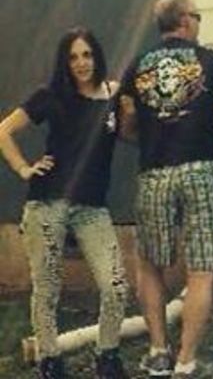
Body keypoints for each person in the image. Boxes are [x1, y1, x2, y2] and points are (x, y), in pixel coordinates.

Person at [118, 0, 213, 379]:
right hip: (201, 170)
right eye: (198, 15)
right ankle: (186, 362)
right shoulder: (212, 61)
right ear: (186, 20)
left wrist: (156, 136)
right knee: (201, 269)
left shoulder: (137, 65)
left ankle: (159, 352)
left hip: (154, 172)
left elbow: (126, 124)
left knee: (150, 265)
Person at [0, 27, 129, 379]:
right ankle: (49, 359)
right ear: (64, 62)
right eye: (73, 56)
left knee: (116, 285)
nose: (81, 63)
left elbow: (131, 130)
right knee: (48, 285)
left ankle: (107, 354)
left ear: (97, 56)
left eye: (87, 54)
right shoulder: (50, 95)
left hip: (92, 208)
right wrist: (24, 168)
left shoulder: (112, 94)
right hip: (48, 203)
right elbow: (3, 131)